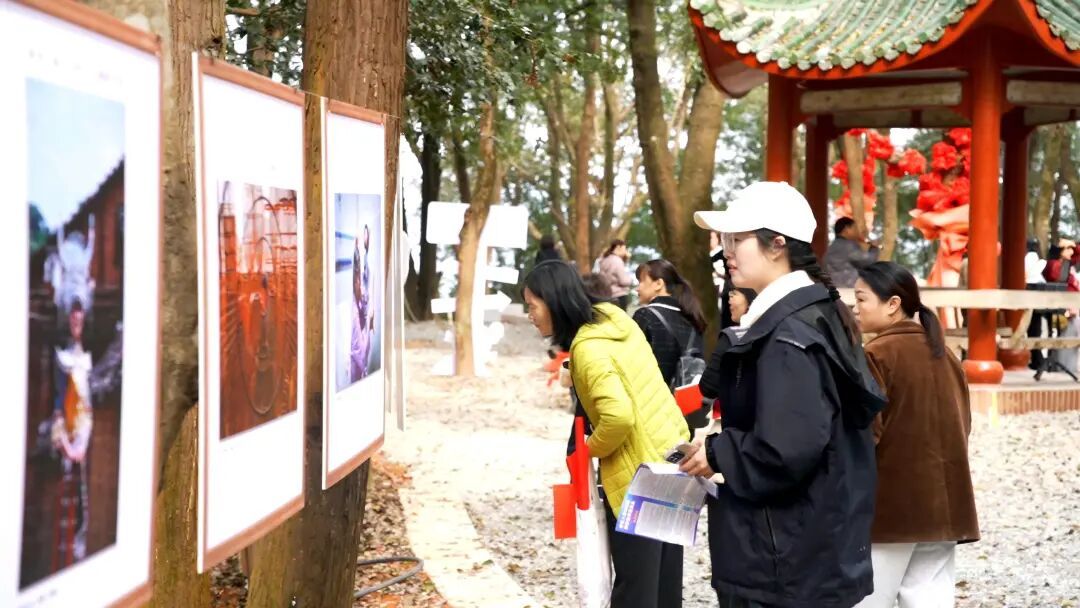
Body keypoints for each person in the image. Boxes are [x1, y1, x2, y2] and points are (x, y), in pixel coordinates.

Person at [682, 181, 886, 608]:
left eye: (737, 239)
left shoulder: (788, 334)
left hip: (783, 559)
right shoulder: (816, 313)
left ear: (777, 244)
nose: (726, 252)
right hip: (811, 549)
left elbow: (785, 448)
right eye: (725, 240)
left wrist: (717, 452)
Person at [522, 260, 689, 608]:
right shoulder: (618, 323)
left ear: (553, 302)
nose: (529, 315)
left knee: (635, 588)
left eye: (532, 306)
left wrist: (589, 448)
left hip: (635, 475)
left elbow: (618, 417)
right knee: (664, 582)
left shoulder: (588, 347)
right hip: (669, 458)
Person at [851, 262, 979, 608]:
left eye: (861, 299)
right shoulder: (945, 355)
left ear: (893, 304)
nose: (855, 308)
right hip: (946, 504)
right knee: (929, 599)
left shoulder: (876, 354)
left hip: (892, 507)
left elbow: (865, 436)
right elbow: (964, 425)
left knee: (867, 600)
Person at [632, 259, 709, 430]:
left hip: (651, 415)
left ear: (658, 284)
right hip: (684, 415)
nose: (637, 288)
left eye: (641, 281)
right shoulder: (692, 319)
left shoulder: (644, 316)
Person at [51, 298, 94, 568]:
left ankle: (81, 541)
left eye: (79, 320)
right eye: (73, 320)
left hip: (86, 426)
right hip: (68, 425)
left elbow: (89, 397)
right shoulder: (62, 356)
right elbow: (59, 396)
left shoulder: (89, 353)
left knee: (83, 490)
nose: (76, 324)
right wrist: (64, 441)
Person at [825, 216, 879, 288]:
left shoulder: (832, 247)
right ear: (847, 229)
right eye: (855, 228)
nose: (857, 231)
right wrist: (874, 248)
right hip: (848, 288)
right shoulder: (847, 246)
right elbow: (868, 261)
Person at [598, 239, 634, 310]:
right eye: (625, 248)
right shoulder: (617, 261)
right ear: (618, 247)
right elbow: (624, 281)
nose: (626, 251)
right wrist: (630, 280)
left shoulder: (604, 260)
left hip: (607, 295)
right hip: (619, 296)